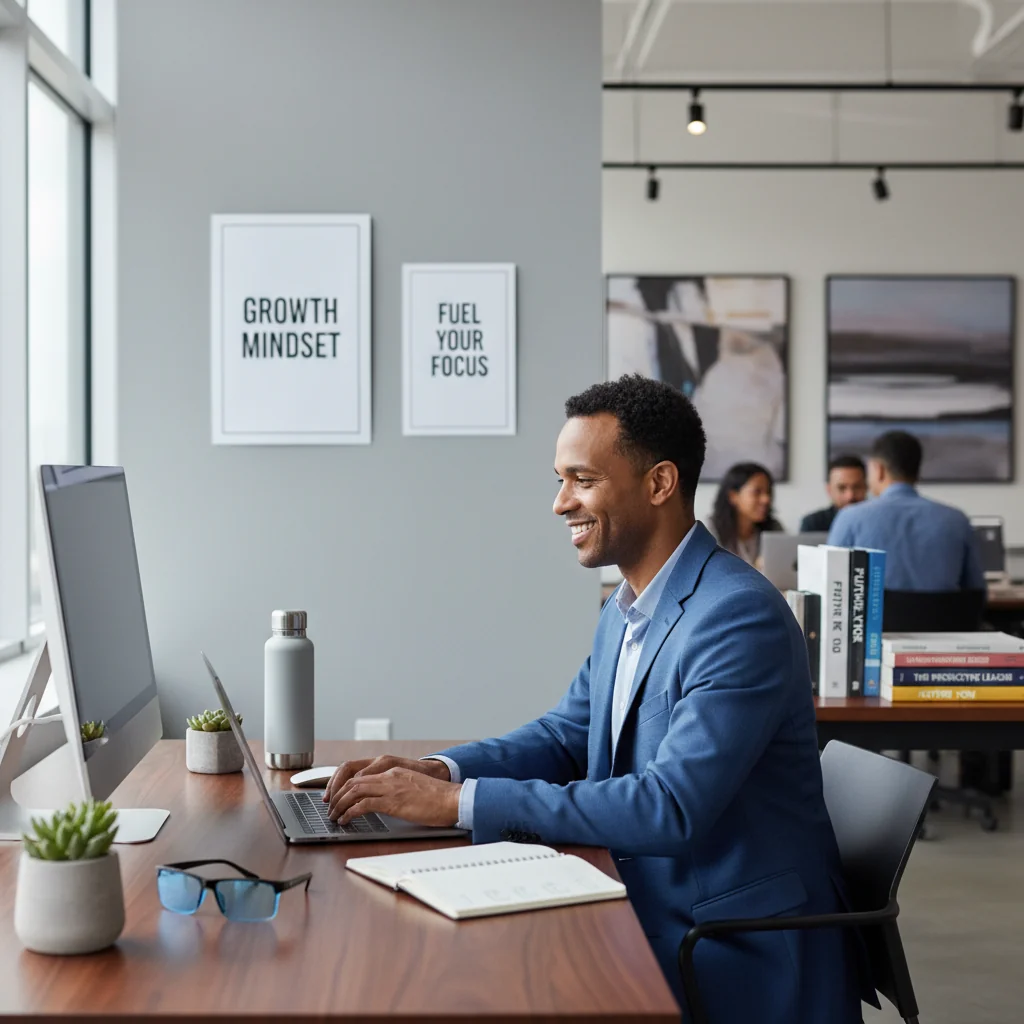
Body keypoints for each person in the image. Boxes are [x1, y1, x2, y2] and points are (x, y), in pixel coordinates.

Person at [323, 375, 867, 1022]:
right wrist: (442, 770)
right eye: (560, 479)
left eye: (581, 479)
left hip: (729, 944)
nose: (560, 503)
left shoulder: (735, 617)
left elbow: (670, 806)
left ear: (660, 483)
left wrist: (455, 805)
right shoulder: (629, 605)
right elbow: (565, 736)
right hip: (642, 900)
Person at [828, 430, 984, 591]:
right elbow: (976, 592)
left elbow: (832, 589)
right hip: (940, 616)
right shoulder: (957, 521)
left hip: (877, 617)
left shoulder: (850, 518)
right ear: (917, 472)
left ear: (879, 470)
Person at [706, 462, 783, 567]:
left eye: (768, 492)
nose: (766, 499)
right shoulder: (711, 531)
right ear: (733, 496)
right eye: (757, 492)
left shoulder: (774, 528)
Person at [800, 454, 867, 533]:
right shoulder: (813, 523)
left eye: (857, 487)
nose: (850, 496)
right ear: (829, 490)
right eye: (841, 488)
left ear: (866, 487)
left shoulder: (878, 521)